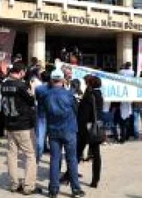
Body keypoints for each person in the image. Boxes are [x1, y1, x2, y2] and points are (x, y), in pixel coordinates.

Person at [40, 69, 85, 198]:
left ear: (51, 80)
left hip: (54, 130)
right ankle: (75, 189)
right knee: (71, 159)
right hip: (69, 129)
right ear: (62, 80)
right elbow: (76, 111)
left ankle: (53, 190)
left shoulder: (46, 96)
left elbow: (43, 113)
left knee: (55, 160)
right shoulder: (69, 95)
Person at [1, 63, 38, 194]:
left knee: (12, 155)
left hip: (10, 124)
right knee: (30, 155)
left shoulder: (4, 85)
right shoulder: (21, 86)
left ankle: (14, 183)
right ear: (21, 72)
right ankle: (28, 186)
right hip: (23, 125)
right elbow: (32, 101)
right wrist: (32, 89)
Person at [77, 75, 104, 189]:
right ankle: (95, 179)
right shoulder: (99, 95)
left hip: (86, 127)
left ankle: (70, 174)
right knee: (96, 154)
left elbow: (83, 114)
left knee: (77, 152)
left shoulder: (89, 96)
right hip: (96, 127)